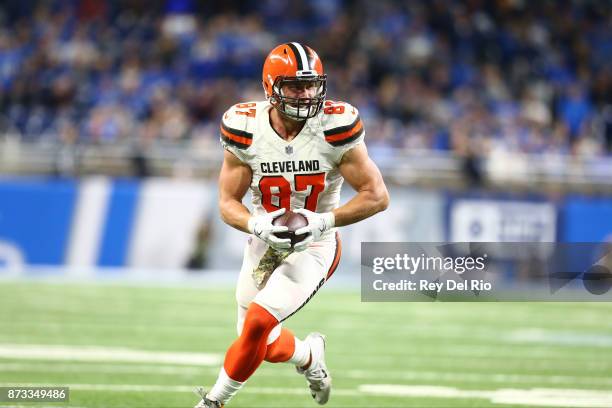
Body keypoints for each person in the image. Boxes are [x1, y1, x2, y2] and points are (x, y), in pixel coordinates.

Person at [196, 42, 389, 407]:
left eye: (312, 85)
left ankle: (213, 402)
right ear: (271, 87)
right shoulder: (245, 126)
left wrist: (322, 222)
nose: (306, 94)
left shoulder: (335, 124)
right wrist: (257, 226)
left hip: (315, 244)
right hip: (264, 241)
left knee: (257, 324)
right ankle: (309, 356)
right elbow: (226, 203)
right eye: (295, 86)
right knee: (261, 343)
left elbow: (377, 195)